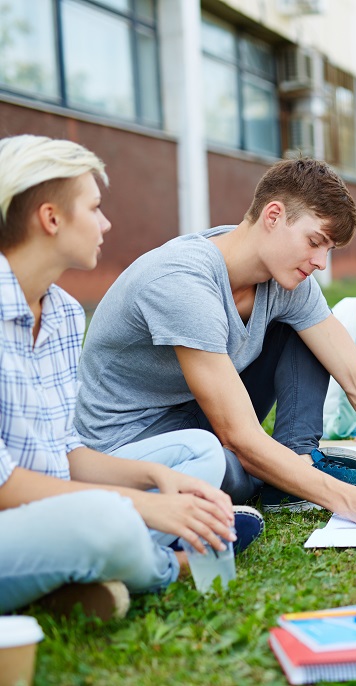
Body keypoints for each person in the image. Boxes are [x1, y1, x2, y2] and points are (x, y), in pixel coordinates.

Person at [74, 158, 356, 522]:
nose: (321, 262)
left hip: (198, 414)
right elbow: (237, 436)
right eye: (315, 241)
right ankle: (288, 475)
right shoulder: (183, 281)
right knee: (228, 472)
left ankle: (295, 460)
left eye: (329, 250)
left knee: (308, 330)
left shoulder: (289, 279)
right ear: (273, 216)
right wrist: (349, 501)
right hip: (133, 443)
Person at [0, 135, 261, 620]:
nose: (106, 223)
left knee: (197, 455)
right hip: (13, 521)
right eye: (94, 208)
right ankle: (166, 564)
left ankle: (72, 577)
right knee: (110, 520)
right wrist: (144, 507)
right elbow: (5, 488)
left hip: (56, 510)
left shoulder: (61, 314)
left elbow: (64, 453)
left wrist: (155, 478)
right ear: (51, 218)